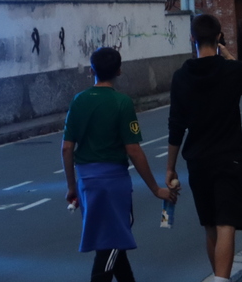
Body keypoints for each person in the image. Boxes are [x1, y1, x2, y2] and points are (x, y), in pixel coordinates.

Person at [63, 46, 176, 282]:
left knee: (111, 240)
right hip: (113, 183)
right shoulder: (122, 102)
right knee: (112, 242)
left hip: (86, 183)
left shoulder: (78, 101)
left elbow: (66, 148)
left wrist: (72, 187)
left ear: (91, 70)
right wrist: (156, 189)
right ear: (119, 71)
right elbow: (133, 150)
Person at [166, 14, 242, 282]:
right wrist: (229, 57)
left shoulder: (181, 77)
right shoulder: (232, 71)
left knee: (209, 224)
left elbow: (176, 126)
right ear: (219, 37)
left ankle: (218, 277)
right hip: (229, 158)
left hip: (198, 160)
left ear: (192, 39)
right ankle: (221, 279)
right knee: (226, 222)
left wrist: (170, 167)